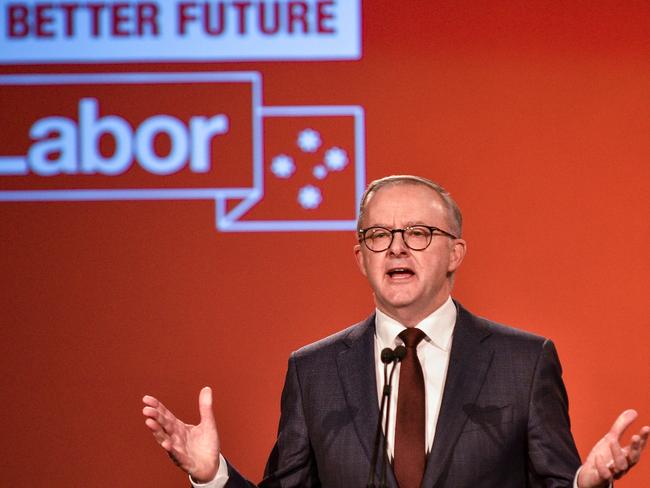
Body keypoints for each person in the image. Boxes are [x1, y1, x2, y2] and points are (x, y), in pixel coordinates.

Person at [143, 175, 648, 487]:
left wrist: (586, 484)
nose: (397, 248)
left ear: (455, 254)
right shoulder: (313, 370)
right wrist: (212, 476)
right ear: (360, 257)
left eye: (419, 233)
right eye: (379, 234)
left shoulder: (525, 361)